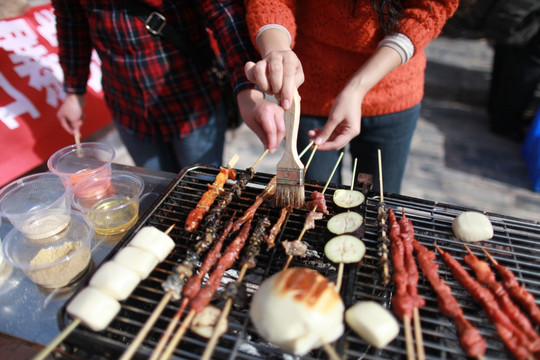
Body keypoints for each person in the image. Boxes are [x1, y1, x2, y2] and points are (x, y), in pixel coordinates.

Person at [242, 0, 459, 193]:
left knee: (374, 198)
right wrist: (277, 51)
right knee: (316, 195)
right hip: (311, 93)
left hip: (393, 98)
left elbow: (429, 10)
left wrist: (357, 87)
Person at [51, 0, 284, 173]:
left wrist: (247, 91)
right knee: (158, 191)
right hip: (128, 105)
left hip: (192, 102)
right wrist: (74, 90)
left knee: (202, 187)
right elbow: (71, 23)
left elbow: (225, 13)